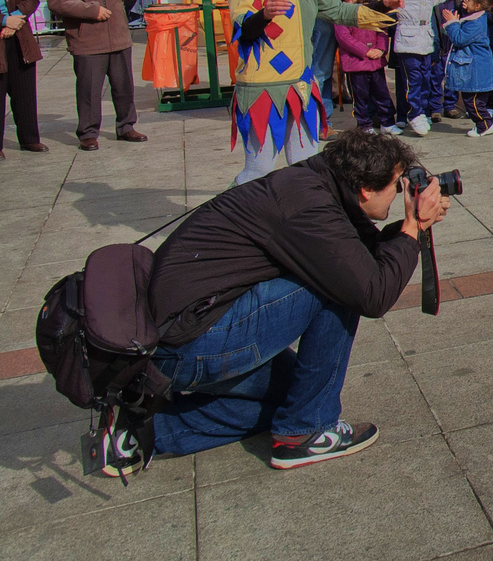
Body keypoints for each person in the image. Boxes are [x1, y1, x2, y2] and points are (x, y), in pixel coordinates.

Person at [120, 129, 447, 474]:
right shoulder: (307, 205)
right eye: (397, 187)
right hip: (187, 345)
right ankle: (308, 431)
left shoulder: (317, 185)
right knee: (337, 288)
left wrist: (414, 227)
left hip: (172, 343)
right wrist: (413, 226)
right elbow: (371, 292)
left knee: (299, 392)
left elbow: (364, 252)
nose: (401, 195)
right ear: (365, 189)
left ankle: (139, 435)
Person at [226, 0, 399, 183]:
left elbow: (340, 11)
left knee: (309, 168)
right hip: (264, 91)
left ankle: (307, 219)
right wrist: (263, 15)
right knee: (258, 171)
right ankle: (232, 222)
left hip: (302, 87)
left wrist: (381, 6)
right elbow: (243, 30)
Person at [46, 0, 146, 151]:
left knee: (124, 87)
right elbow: (57, 2)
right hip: (88, 41)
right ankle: (88, 133)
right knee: (89, 90)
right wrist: (91, 10)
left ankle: (126, 126)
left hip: (118, 37)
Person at [378, 0, 440, 137]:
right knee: (412, 80)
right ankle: (413, 113)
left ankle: (421, 111)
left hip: (425, 40)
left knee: (424, 78)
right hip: (407, 41)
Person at [332, 0, 392, 133]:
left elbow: (382, 30)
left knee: (381, 93)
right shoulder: (341, 13)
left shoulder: (371, 10)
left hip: (375, 61)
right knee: (360, 97)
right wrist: (365, 51)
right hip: (355, 63)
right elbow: (344, 38)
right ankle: (364, 125)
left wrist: (380, 49)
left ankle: (387, 122)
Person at [0, 0, 46, 157]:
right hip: (4, 30)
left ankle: (29, 139)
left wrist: (15, 17)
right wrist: (3, 21)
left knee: (24, 93)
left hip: (19, 37)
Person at [446, 0, 493, 136]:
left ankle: (484, 125)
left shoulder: (476, 23)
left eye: (469, 0)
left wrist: (452, 24)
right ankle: (488, 121)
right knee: (476, 100)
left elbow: (460, 39)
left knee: (473, 101)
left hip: (476, 70)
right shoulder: (477, 18)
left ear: (477, 6)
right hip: (477, 68)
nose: (465, 2)